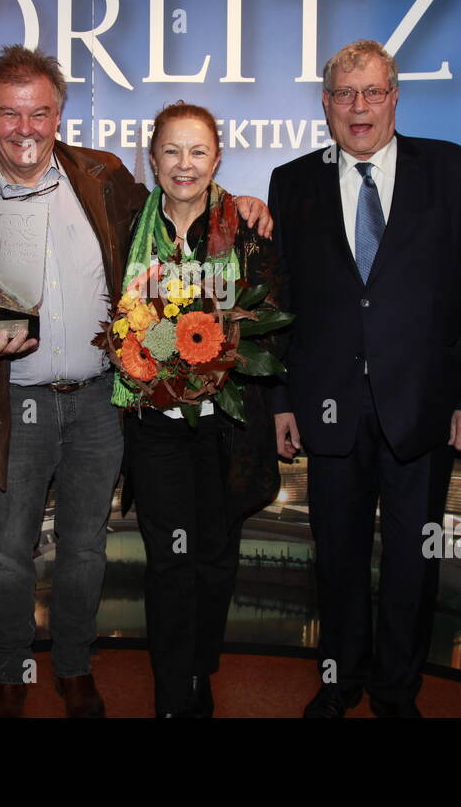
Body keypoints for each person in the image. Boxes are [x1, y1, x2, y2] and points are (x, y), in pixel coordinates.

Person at [0, 45, 271, 718]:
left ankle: (76, 666)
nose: (25, 128)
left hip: (97, 401)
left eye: (40, 112)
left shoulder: (106, 176)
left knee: (86, 549)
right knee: (6, 556)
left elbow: (182, 212)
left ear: (58, 115)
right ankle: (8, 670)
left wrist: (242, 204)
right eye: (9, 113)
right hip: (15, 403)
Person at [268, 39, 461, 718]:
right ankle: (341, 681)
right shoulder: (294, 182)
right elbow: (277, 305)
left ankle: (398, 690)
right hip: (329, 409)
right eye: (344, 94)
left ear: (397, 97)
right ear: (325, 104)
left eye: (373, 91)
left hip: (425, 411)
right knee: (336, 561)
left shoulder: (454, 172)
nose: (359, 107)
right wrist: (281, 401)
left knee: (412, 563)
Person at [115, 102, 284, 717]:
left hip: (227, 428)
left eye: (198, 152)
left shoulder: (248, 230)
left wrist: (218, 353)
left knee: (215, 558)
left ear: (217, 159)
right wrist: (160, 354)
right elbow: (118, 317)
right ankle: (171, 688)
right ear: (152, 158)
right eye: (171, 151)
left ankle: (199, 668)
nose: (184, 165)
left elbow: (269, 323)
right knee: (170, 560)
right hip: (156, 428)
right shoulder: (129, 224)